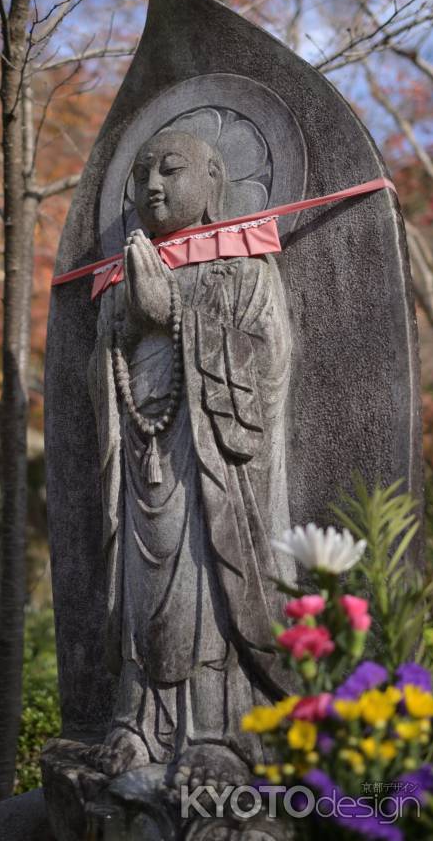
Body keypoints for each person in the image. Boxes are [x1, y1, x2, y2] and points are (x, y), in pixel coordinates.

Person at [87, 127, 294, 791]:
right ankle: (137, 723)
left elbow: (267, 364)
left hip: (211, 466)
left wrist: (174, 312)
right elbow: (102, 375)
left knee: (200, 586)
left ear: (212, 184)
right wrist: (122, 327)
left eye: (170, 171)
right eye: (142, 175)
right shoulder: (126, 273)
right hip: (141, 453)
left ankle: (221, 733)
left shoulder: (242, 264)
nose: (151, 186)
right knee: (140, 584)